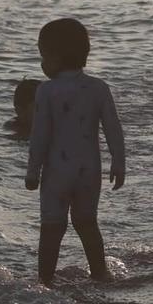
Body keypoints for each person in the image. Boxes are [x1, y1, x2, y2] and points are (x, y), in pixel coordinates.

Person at [24, 17, 124, 285]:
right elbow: (113, 128)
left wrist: (32, 171)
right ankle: (100, 273)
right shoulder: (98, 88)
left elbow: (40, 136)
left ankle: (45, 280)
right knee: (87, 223)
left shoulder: (47, 91)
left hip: (57, 171)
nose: (42, 63)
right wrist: (118, 161)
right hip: (89, 170)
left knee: (52, 226)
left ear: (56, 57)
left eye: (43, 56)